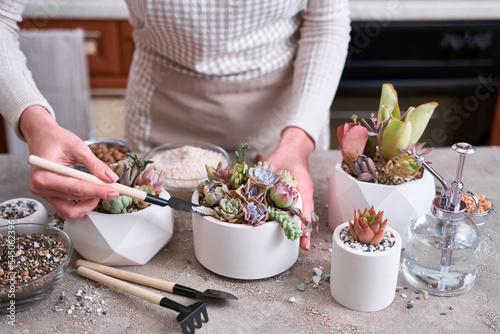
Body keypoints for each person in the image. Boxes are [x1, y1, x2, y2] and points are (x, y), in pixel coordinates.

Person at [0, 0, 351, 250]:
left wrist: (299, 141)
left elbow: (327, 22)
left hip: (283, 120)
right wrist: (34, 122)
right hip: (162, 112)